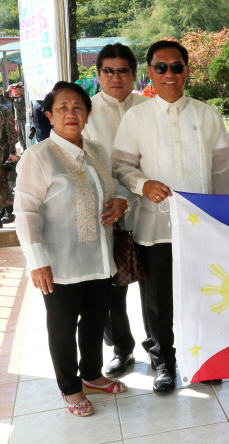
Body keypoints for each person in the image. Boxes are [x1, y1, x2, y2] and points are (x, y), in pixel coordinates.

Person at [112, 40, 229, 393]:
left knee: (204, 293)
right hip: (155, 225)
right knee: (158, 299)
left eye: (176, 66)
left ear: (187, 70)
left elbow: (223, 172)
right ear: (149, 72)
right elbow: (121, 166)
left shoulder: (207, 115)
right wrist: (142, 183)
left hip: (203, 227)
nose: (169, 74)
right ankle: (164, 361)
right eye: (161, 67)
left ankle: (205, 361)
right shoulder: (137, 117)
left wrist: (223, 218)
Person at [14, 81, 129, 417]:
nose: (71, 113)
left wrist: (122, 201)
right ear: (49, 116)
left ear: (88, 114)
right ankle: (70, 387)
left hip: (98, 256)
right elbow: (25, 212)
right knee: (62, 324)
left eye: (78, 106)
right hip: (59, 262)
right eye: (62, 107)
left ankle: (92, 374)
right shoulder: (39, 157)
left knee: (95, 319)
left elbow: (114, 188)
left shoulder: (96, 151)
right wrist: (37, 261)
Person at [82, 43, 150, 379]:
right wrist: (117, 199)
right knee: (112, 288)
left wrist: (133, 198)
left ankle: (159, 347)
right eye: (108, 70)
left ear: (134, 74)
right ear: (98, 75)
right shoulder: (87, 113)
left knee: (153, 284)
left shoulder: (149, 109)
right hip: (107, 214)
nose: (116, 77)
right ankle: (122, 349)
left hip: (150, 209)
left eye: (123, 70)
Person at [0, 104, 18, 227]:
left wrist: (12, 152)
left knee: (2, 180)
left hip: (3, 150)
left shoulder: (4, 111)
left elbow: (11, 131)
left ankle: (9, 209)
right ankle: (4, 209)